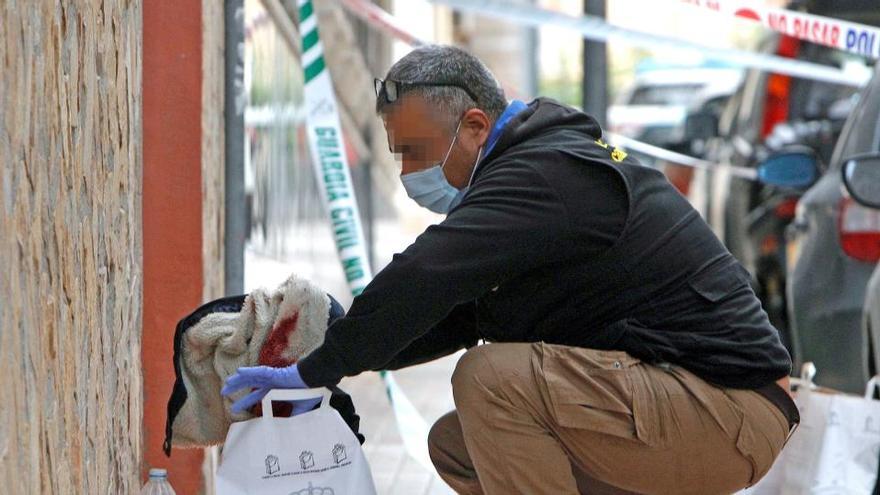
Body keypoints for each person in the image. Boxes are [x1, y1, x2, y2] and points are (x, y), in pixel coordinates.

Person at [222, 45, 798, 494]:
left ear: (475, 127)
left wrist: (320, 368)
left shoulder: (546, 174)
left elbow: (430, 272)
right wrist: (328, 350)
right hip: (691, 406)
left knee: (490, 381)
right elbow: (450, 314)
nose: (408, 173)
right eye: (400, 155)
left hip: (728, 410)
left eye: (418, 152)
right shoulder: (529, 184)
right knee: (459, 444)